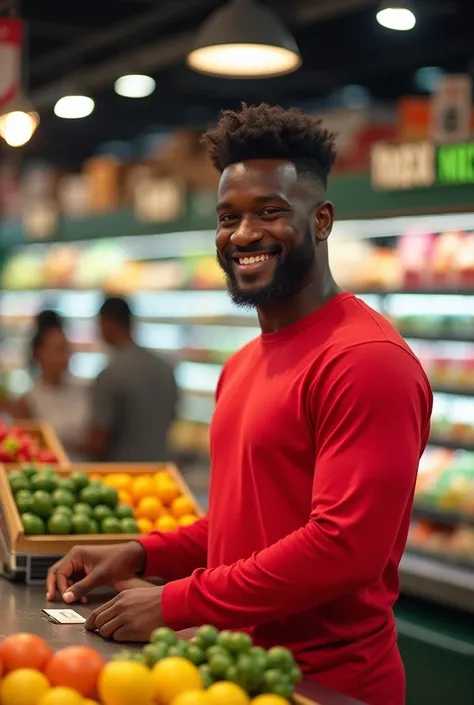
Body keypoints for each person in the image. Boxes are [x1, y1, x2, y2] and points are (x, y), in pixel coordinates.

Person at [47, 104, 432, 705]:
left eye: (270, 212)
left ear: (323, 220)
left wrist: (176, 599)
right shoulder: (244, 363)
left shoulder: (365, 359)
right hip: (227, 674)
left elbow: (344, 548)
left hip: (324, 684)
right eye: (229, 217)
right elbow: (244, 523)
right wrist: (144, 550)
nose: (244, 234)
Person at [86, 296, 178, 462]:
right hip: (160, 470)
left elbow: (99, 439)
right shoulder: (166, 368)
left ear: (108, 322)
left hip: (123, 473)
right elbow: (173, 417)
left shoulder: (110, 374)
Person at [12, 310, 90, 461]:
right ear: (40, 354)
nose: (66, 356)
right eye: (60, 350)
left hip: (88, 470)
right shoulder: (27, 401)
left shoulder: (85, 390)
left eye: (68, 350)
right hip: (48, 476)